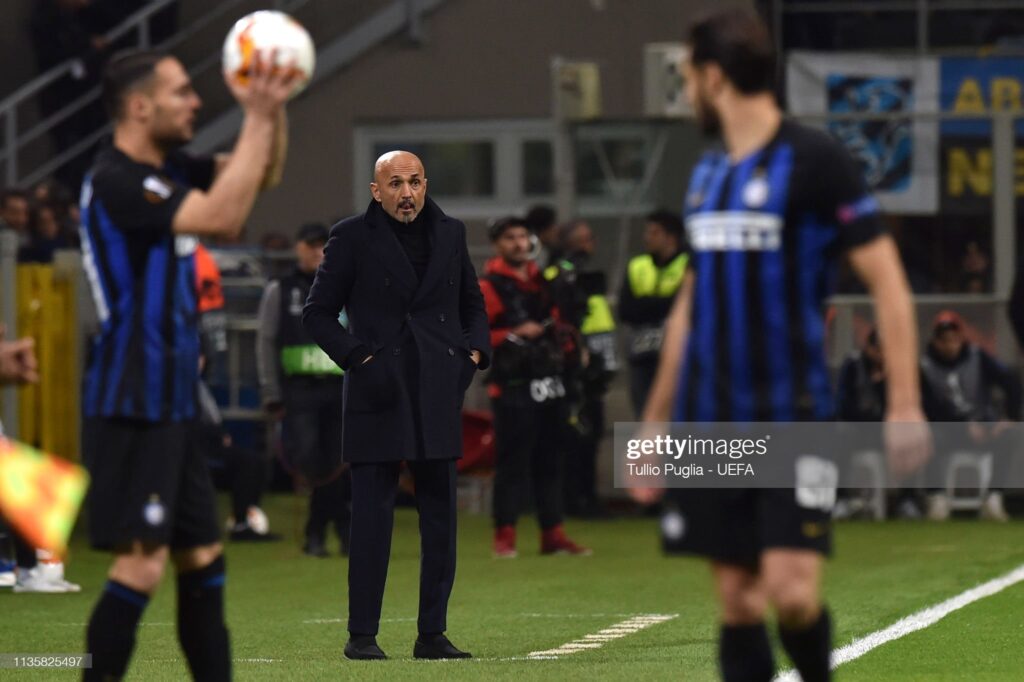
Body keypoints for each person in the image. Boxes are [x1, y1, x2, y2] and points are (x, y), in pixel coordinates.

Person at [630, 10, 930, 682]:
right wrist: (653, 422)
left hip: (792, 415)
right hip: (708, 422)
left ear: (714, 77)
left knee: (792, 594)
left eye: (689, 76)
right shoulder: (708, 175)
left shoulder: (817, 160)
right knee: (738, 599)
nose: (687, 91)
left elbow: (888, 282)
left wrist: (905, 403)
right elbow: (691, 303)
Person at [78, 48, 294, 681]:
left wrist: (274, 107)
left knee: (202, 560)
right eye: (180, 91)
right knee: (142, 565)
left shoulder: (168, 170)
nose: (196, 101)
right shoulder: (117, 180)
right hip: (132, 401)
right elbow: (224, 216)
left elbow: (261, 174)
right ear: (139, 107)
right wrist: (257, 114)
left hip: (174, 402)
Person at [303, 150, 491, 661]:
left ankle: (432, 635)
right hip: (377, 390)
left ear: (425, 185)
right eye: (394, 184)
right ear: (376, 190)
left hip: (438, 387)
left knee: (441, 524)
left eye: (414, 182)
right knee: (370, 522)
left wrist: (474, 355)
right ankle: (361, 636)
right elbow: (317, 314)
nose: (406, 193)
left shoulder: (451, 233)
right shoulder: (350, 236)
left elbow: (472, 303)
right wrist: (360, 359)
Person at [479, 216, 590, 558]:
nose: (518, 244)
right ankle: (505, 536)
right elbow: (474, 334)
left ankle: (552, 535)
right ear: (497, 244)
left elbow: (562, 321)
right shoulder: (488, 286)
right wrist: (512, 334)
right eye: (509, 238)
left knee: (551, 459)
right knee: (512, 462)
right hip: (512, 384)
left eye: (522, 237)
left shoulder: (544, 282)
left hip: (550, 380)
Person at [257, 222, 351, 557]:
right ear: (298, 248)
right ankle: (336, 530)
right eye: (310, 245)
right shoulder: (280, 290)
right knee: (311, 462)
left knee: (340, 462)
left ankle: (322, 533)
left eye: (322, 245)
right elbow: (266, 341)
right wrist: (271, 393)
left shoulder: (347, 287)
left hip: (341, 388)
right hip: (299, 391)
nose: (316, 251)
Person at [545, 219, 617, 517]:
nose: (591, 244)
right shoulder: (559, 275)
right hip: (575, 362)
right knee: (576, 433)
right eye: (585, 238)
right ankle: (574, 499)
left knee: (591, 431)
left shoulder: (585, 275)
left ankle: (586, 496)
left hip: (595, 361)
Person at [919, 311, 1020, 522]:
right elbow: (929, 408)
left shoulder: (978, 356)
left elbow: (1010, 380)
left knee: (1010, 436)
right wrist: (963, 427)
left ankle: (994, 496)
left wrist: (1009, 417)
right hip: (946, 430)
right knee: (925, 436)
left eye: (954, 339)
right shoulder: (925, 366)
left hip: (983, 426)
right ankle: (936, 496)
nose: (950, 345)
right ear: (935, 341)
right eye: (944, 340)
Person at [618, 209, 688, 417]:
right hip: (642, 353)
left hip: (678, 354)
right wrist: (666, 304)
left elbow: (686, 306)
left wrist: (648, 303)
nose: (647, 237)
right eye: (647, 232)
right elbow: (626, 309)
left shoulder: (688, 264)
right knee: (644, 413)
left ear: (671, 237)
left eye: (654, 232)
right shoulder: (637, 265)